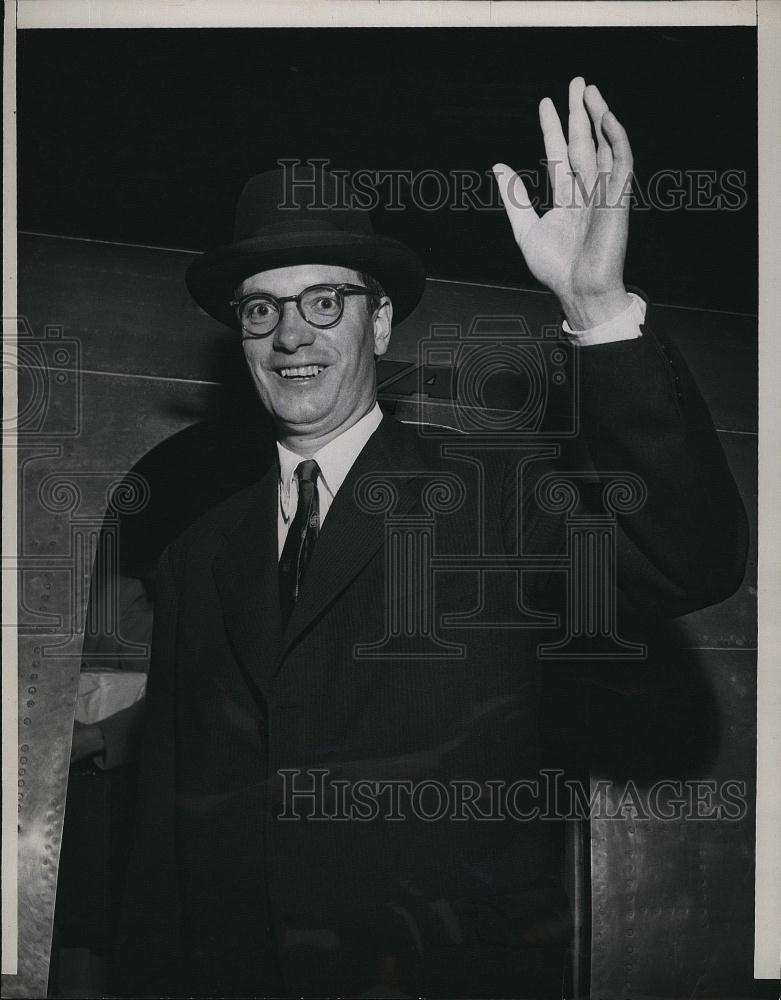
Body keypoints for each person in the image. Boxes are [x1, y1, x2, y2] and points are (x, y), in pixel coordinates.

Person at [113, 78, 748, 998]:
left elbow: (690, 558)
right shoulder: (195, 556)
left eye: (323, 301)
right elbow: (162, 855)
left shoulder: (496, 497)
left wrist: (597, 310)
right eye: (261, 308)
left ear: (379, 319)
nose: (290, 333)